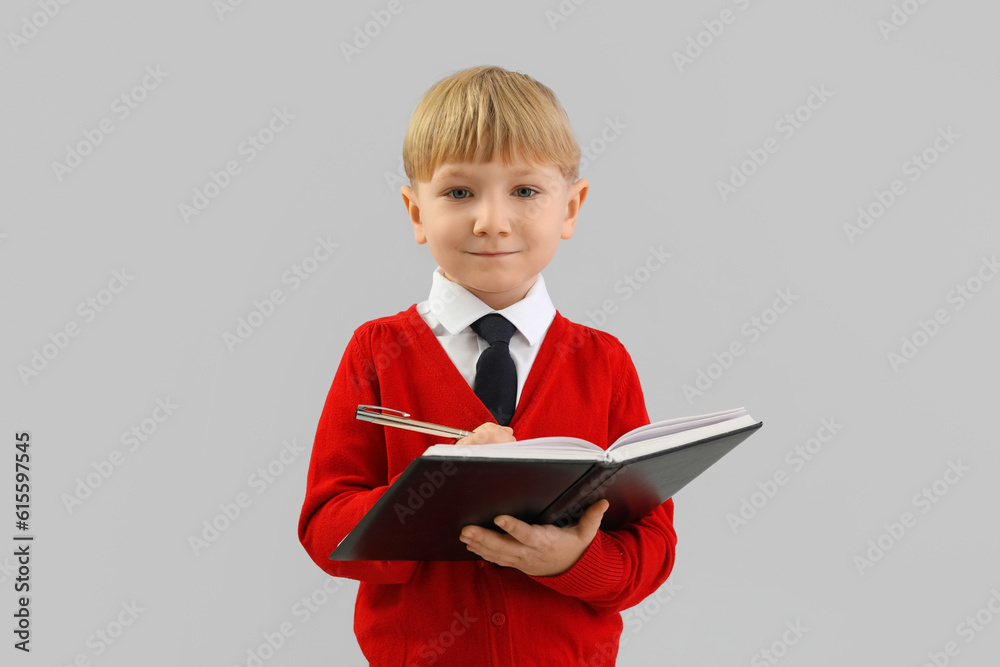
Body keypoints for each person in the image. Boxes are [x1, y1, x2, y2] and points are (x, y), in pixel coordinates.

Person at [297, 65, 676, 666]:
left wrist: (574, 561)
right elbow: (325, 529)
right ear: (416, 212)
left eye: (525, 192)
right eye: (457, 192)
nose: (491, 221)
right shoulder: (376, 351)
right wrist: (432, 495)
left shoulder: (604, 362)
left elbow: (651, 547)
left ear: (571, 207)